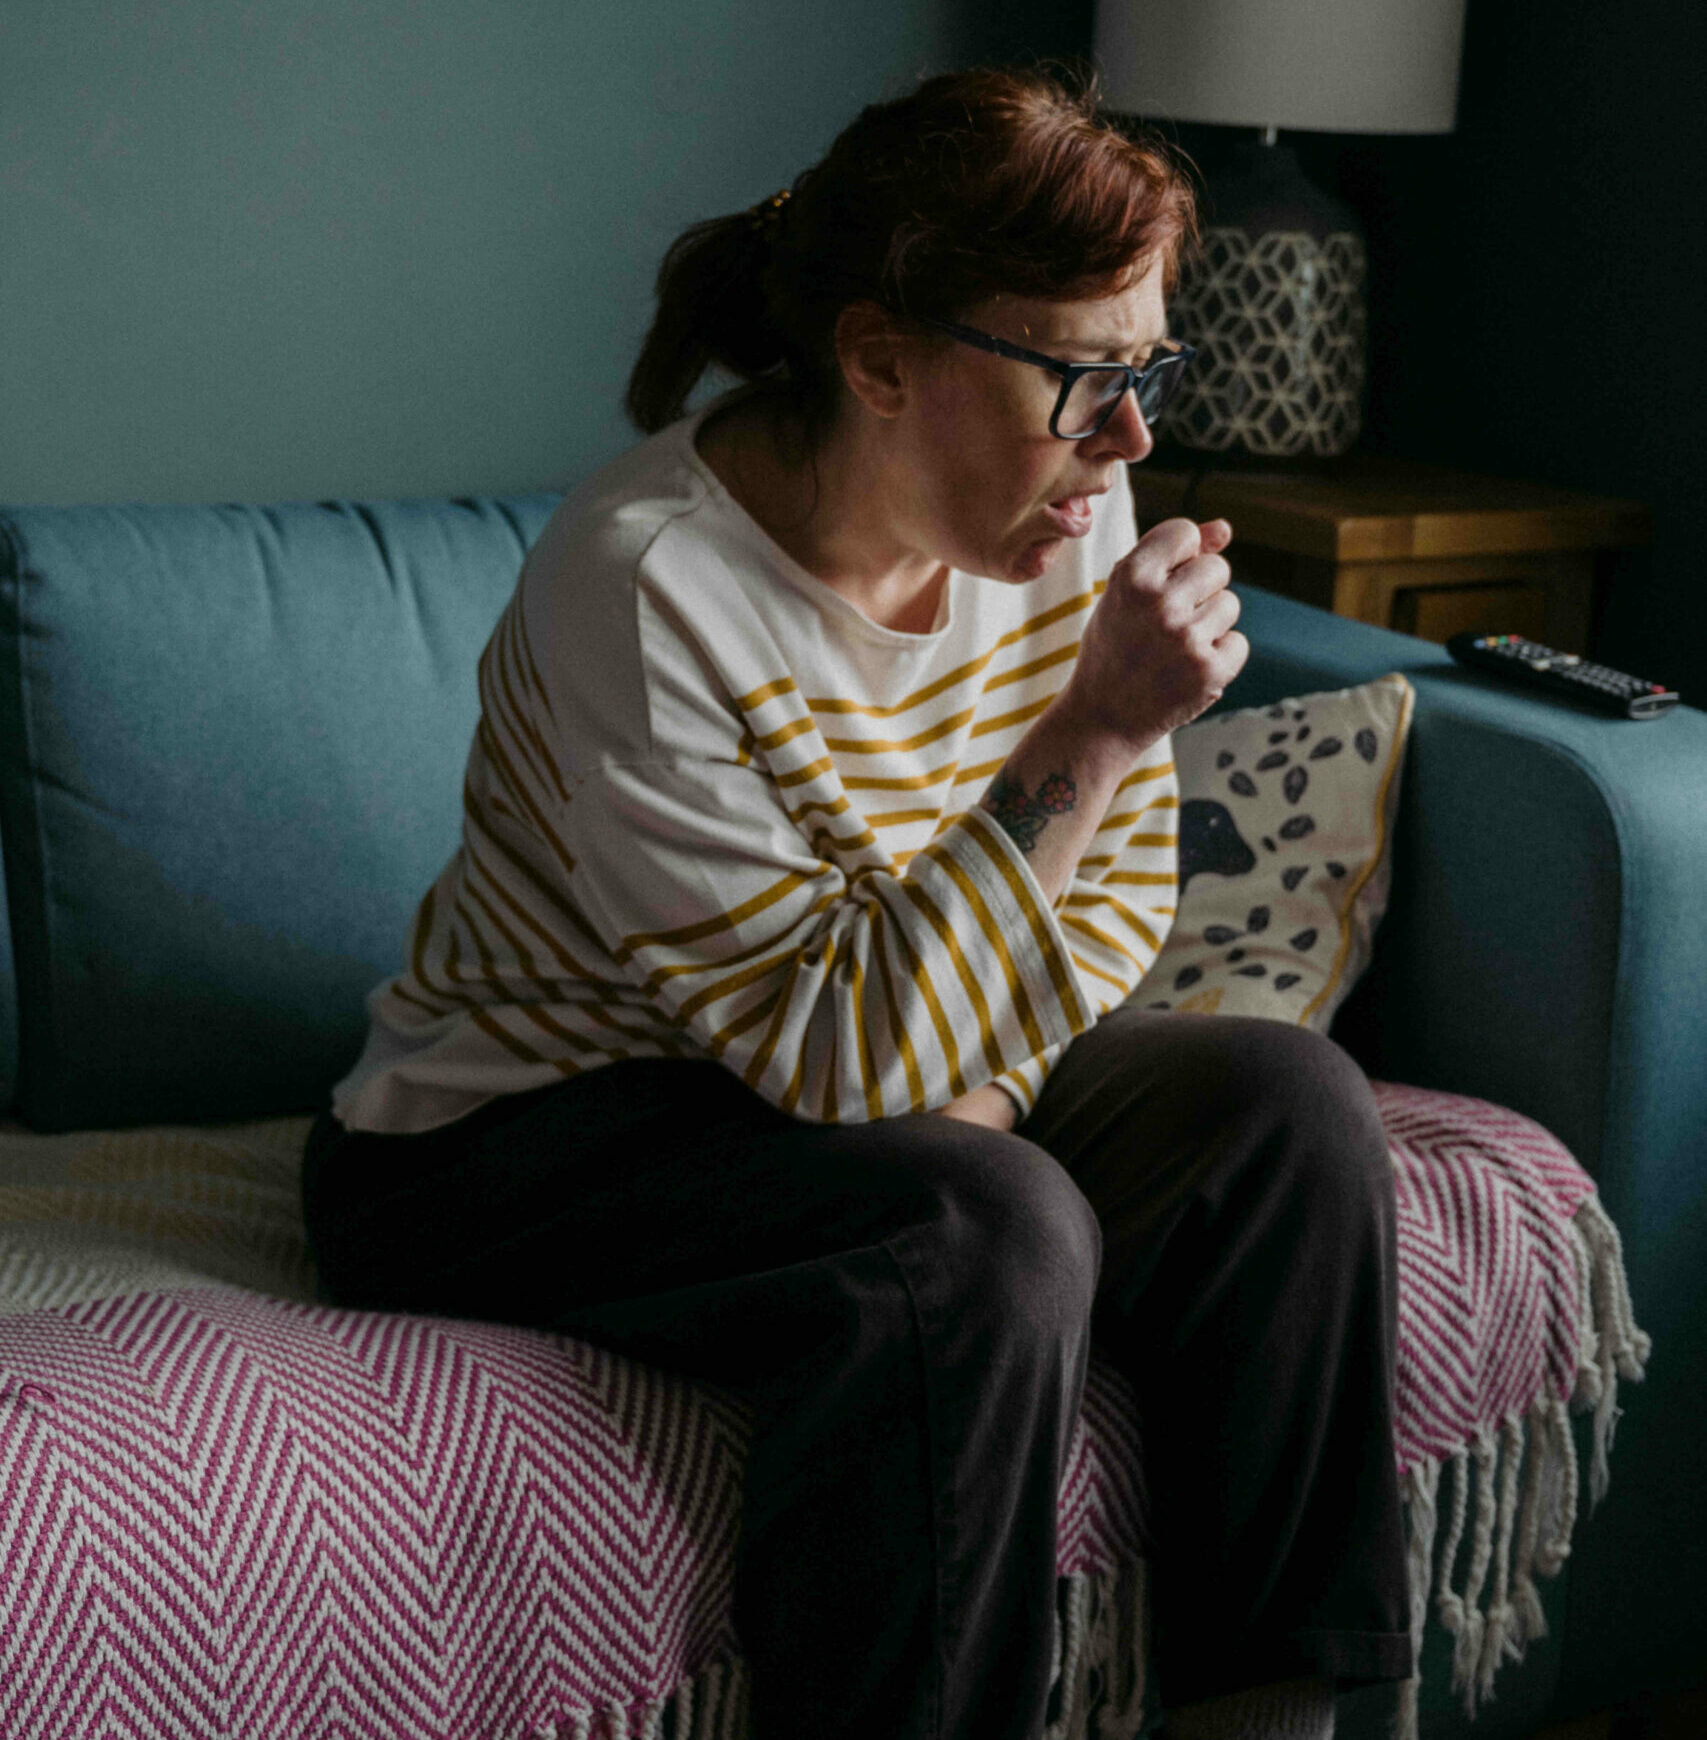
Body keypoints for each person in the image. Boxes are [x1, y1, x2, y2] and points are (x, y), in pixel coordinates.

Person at [300, 62, 1411, 1740]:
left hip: (886, 1067)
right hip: (512, 1140)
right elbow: (824, 1060)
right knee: (980, 1231)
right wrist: (1100, 725)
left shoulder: (1070, 509)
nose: (1131, 440)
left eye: (1147, 371)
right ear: (883, 360)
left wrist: (980, 1089)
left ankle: (1283, 1716)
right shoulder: (650, 584)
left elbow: (1108, 917)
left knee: (1288, 1111)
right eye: (1082, 381)